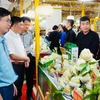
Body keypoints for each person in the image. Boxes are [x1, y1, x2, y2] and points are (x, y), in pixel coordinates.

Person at [4, 16, 30, 100]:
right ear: (15, 25)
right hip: (14, 66)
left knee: (19, 87)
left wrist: (25, 58)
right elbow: (12, 55)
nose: (23, 27)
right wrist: (26, 58)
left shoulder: (17, 35)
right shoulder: (8, 37)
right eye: (21, 25)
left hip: (21, 65)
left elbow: (22, 48)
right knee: (14, 90)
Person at [0, 7, 18, 100]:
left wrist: (11, 82)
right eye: (7, 20)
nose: (9, 24)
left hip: (7, 85)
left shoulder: (3, 40)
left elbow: (5, 64)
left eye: (10, 21)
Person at [20, 16, 35, 100]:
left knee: (30, 77)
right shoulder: (16, 34)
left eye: (28, 25)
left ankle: (29, 95)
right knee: (19, 77)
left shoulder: (29, 34)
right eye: (25, 24)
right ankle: (18, 95)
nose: (27, 27)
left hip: (28, 56)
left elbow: (30, 45)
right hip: (18, 57)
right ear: (21, 24)